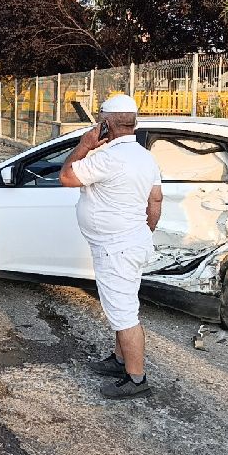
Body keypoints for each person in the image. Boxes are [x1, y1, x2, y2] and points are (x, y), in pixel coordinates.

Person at [60, 94, 163, 398]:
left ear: (105, 123)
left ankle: (136, 378)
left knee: (125, 313)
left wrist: (85, 143)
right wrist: (141, 232)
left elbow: (66, 176)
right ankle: (120, 361)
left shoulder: (106, 158)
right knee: (122, 307)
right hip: (129, 243)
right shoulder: (145, 157)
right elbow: (155, 200)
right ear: (134, 122)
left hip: (117, 248)